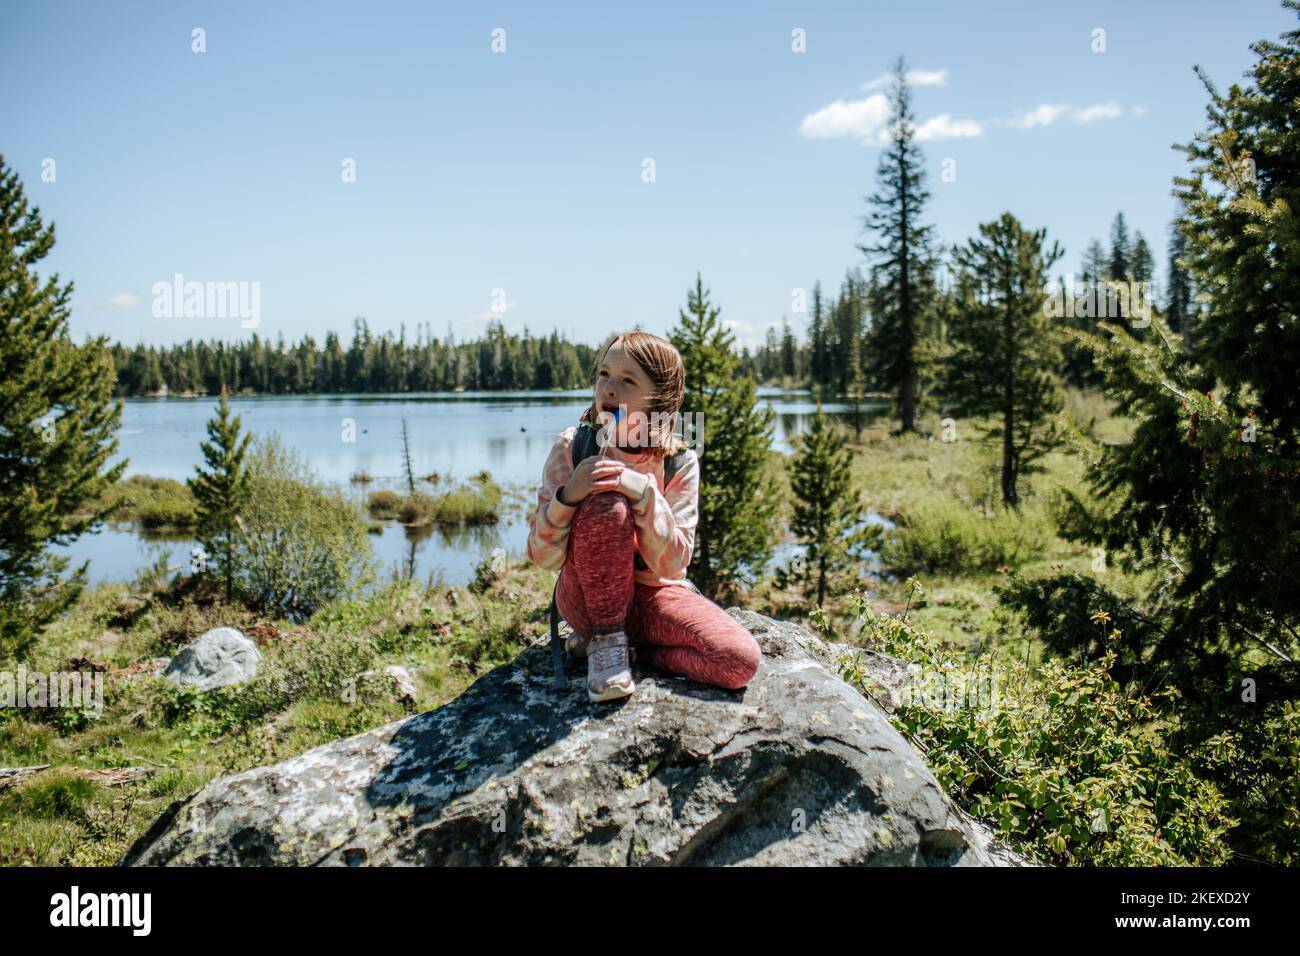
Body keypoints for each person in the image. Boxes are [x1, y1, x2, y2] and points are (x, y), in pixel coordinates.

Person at [525, 330, 762, 702]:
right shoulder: (573, 447)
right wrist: (568, 498)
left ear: (661, 399)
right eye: (604, 374)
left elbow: (673, 567)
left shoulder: (678, 462)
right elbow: (543, 558)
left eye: (628, 380)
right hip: (587, 600)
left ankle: (633, 653)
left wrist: (643, 491)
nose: (608, 388)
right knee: (607, 504)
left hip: (653, 599)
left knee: (737, 662)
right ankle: (604, 644)